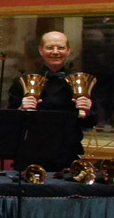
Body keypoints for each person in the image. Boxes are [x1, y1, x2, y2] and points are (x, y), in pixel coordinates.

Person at [7, 30, 96, 168]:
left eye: (61, 47)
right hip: (32, 153)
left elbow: (90, 123)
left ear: (68, 51)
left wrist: (87, 111)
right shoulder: (23, 80)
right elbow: (10, 122)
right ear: (41, 51)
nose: (55, 52)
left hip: (68, 152)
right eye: (50, 47)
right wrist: (21, 109)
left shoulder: (81, 81)